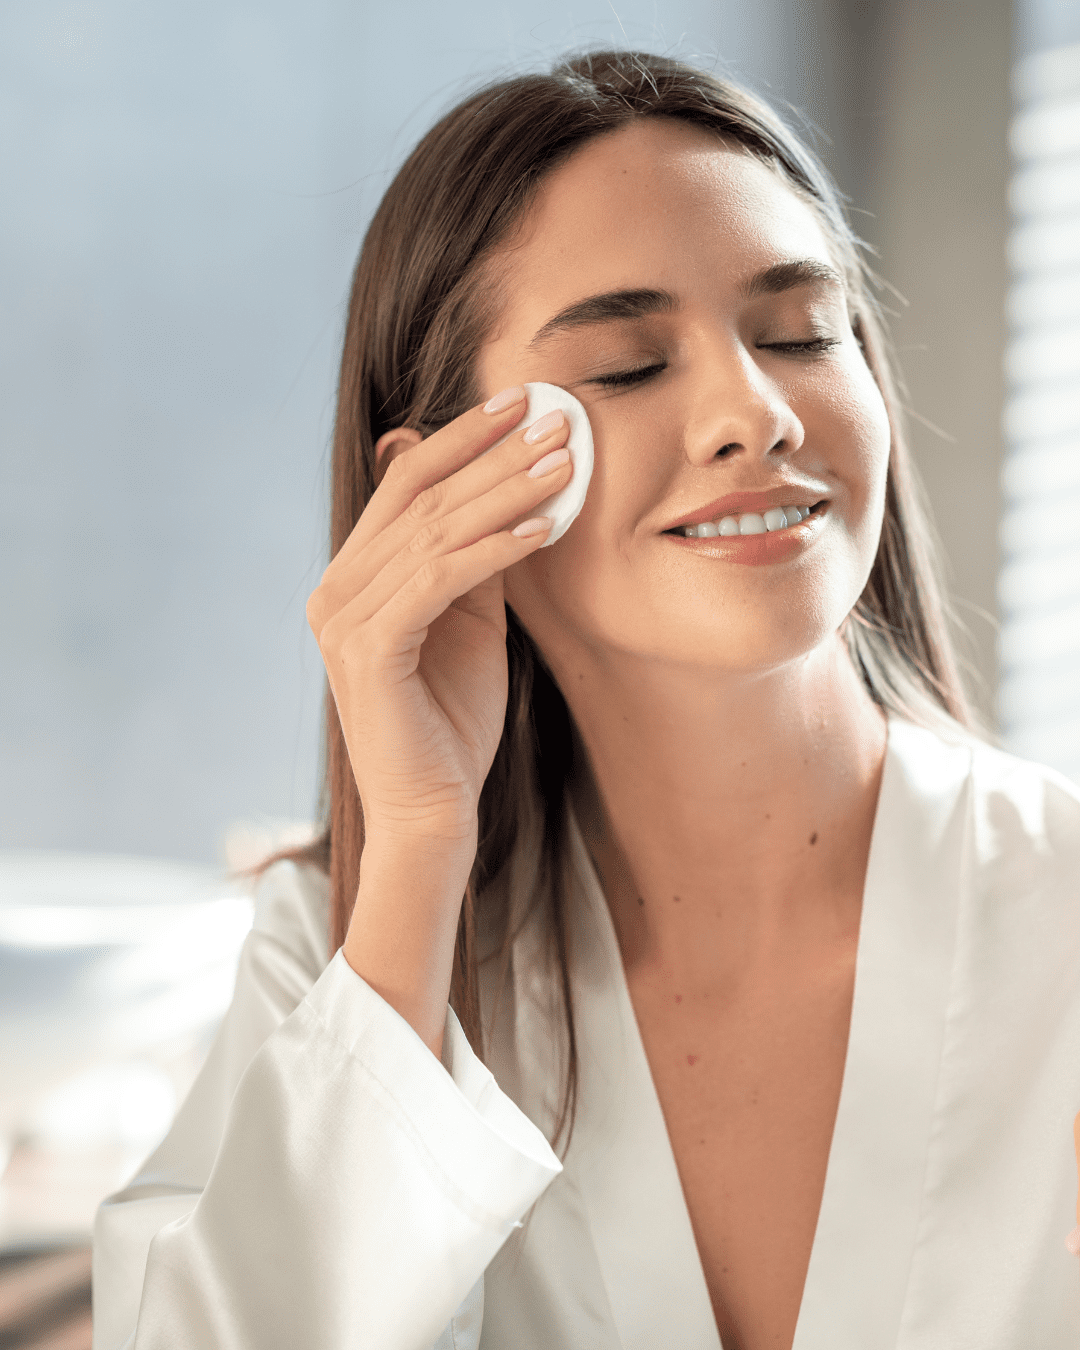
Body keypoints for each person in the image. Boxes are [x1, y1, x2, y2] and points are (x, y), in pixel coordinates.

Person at [91, 48, 1080, 1350]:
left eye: (799, 332)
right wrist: (419, 853)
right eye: (624, 367)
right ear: (439, 482)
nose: (754, 410)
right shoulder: (345, 949)